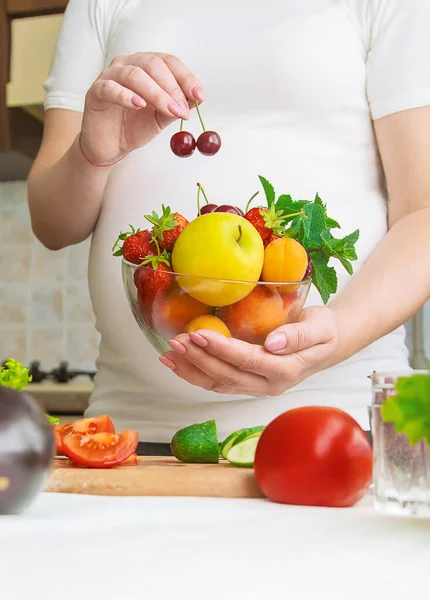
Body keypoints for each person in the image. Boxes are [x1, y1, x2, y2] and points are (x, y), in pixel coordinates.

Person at [28, 0, 430, 451]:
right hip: (135, 431)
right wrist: (96, 150)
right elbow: (52, 225)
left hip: (336, 425)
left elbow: (424, 211)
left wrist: (334, 337)